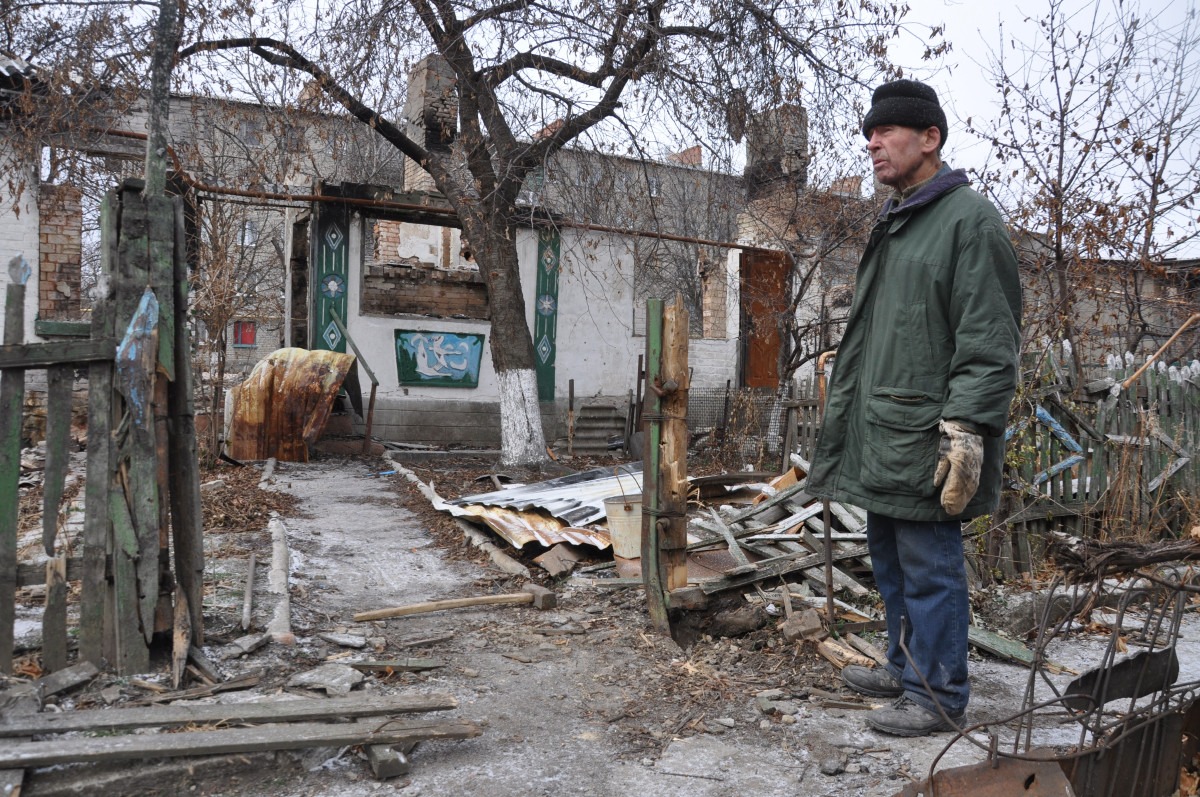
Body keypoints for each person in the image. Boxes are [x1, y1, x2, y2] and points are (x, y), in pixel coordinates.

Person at [805, 79, 1022, 737]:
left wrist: (966, 430)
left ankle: (938, 693)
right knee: (894, 561)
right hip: (885, 433)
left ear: (930, 138)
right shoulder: (899, 219)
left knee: (931, 568)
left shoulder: (969, 221)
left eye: (887, 130)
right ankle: (905, 668)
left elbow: (989, 339)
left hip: (929, 438)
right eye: (869, 131)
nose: (872, 141)